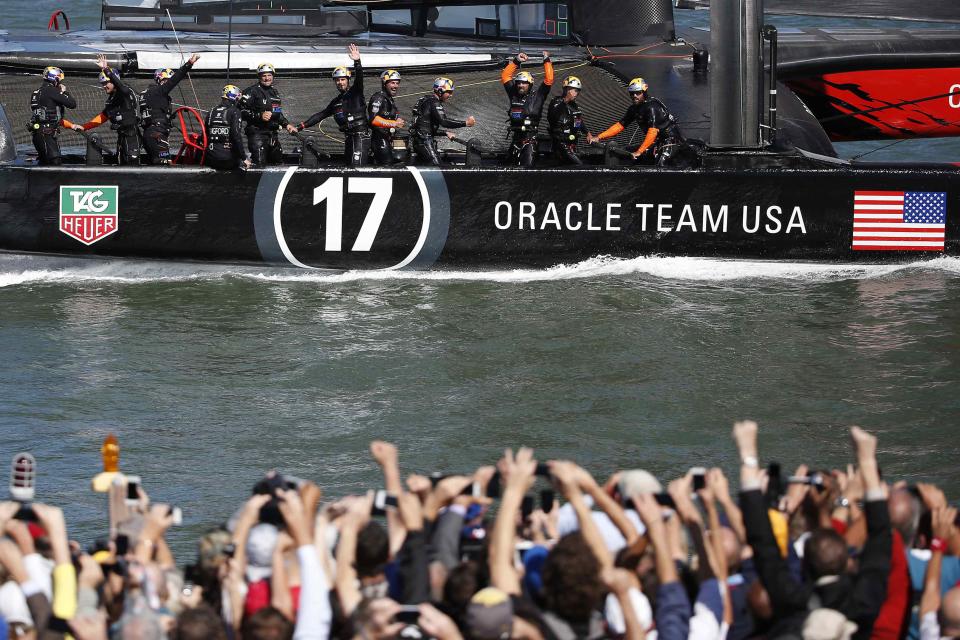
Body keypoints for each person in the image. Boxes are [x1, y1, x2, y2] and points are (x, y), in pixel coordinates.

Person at [296, 44, 369, 167]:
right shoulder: (335, 102)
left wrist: (357, 61)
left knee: (357, 168)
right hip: (349, 138)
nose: (340, 83)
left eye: (343, 79)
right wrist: (299, 127)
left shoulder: (356, 92)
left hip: (360, 137)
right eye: (337, 80)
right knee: (349, 168)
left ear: (348, 80)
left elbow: (359, 78)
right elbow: (320, 115)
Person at [588, 77, 684, 165]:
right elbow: (620, 125)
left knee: (660, 165)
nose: (634, 96)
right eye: (632, 93)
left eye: (638, 93)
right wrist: (599, 137)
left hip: (672, 141)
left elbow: (653, 132)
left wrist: (639, 151)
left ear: (644, 92)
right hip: (658, 141)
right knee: (639, 160)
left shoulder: (652, 107)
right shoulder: (634, 109)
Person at [64, 54, 140, 165]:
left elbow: (121, 87)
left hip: (131, 135)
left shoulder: (124, 93)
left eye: (106, 83)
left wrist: (106, 69)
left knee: (131, 162)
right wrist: (84, 127)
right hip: (122, 135)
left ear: (114, 81)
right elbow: (103, 117)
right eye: (102, 83)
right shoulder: (112, 99)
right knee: (121, 162)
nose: (104, 86)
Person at [140, 53, 200, 165]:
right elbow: (175, 79)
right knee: (165, 163)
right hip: (157, 135)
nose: (169, 83)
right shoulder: (159, 91)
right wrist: (189, 64)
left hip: (149, 134)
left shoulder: (146, 94)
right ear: (160, 80)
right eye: (167, 80)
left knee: (156, 163)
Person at [501, 51, 554, 167]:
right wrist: (516, 61)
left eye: (524, 83)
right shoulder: (513, 93)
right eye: (519, 83)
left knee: (527, 168)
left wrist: (546, 60)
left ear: (530, 84)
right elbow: (505, 76)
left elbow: (549, 79)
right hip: (516, 139)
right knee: (506, 168)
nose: (520, 85)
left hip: (529, 140)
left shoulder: (538, 95)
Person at [240, 62, 297, 167]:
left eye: (269, 75)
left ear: (273, 76)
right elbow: (239, 112)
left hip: (272, 135)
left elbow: (277, 114)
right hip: (257, 134)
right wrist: (259, 115)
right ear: (259, 77)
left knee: (278, 163)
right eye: (264, 75)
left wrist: (287, 124)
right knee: (259, 163)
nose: (267, 78)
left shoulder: (274, 92)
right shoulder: (251, 91)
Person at [410, 77, 476, 166]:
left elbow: (424, 126)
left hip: (418, 142)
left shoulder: (424, 100)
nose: (451, 95)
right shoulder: (434, 102)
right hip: (425, 142)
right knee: (438, 169)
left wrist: (445, 133)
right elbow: (444, 121)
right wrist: (466, 123)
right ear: (440, 91)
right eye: (449, 92)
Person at [27, 66, 76, 166]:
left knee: (44, 162)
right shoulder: (52, 91)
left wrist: (71, 125)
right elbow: (72, 104)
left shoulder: (35, 93)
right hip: (47, 135)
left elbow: (47, 114)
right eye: (59, 79)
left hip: (37, 134)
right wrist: (64, 91)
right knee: (55, 164)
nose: (60, 82)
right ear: (55, 78)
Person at [205, 84, 252, 170]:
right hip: (228, 159)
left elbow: (206, 133)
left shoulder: (211, 111)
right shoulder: (235, 111)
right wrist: (244, 158)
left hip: (211, 157)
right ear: (234, 97)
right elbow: (236, 136)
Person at [547, 76, 590, 165]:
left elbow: (579, 121)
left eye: (577, 91)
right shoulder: (556, 101)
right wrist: (565, 100)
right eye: (574, 90)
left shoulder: (574, 106)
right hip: (560, 144)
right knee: (579, 166)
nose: (575, 93)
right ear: (566, 89)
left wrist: (587, 133)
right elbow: (552, 116)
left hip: (572, 144)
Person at [368, 69, 406, 165]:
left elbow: (387, 117)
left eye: (397, 83)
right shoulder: (378, 98)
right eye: (392, 83)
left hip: (387, 138)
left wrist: (396, 120)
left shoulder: (389, 99)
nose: (395, 86)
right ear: (384, 83)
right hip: (379, 140)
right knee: (387, 166)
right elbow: (374, 119)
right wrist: (394, 123)